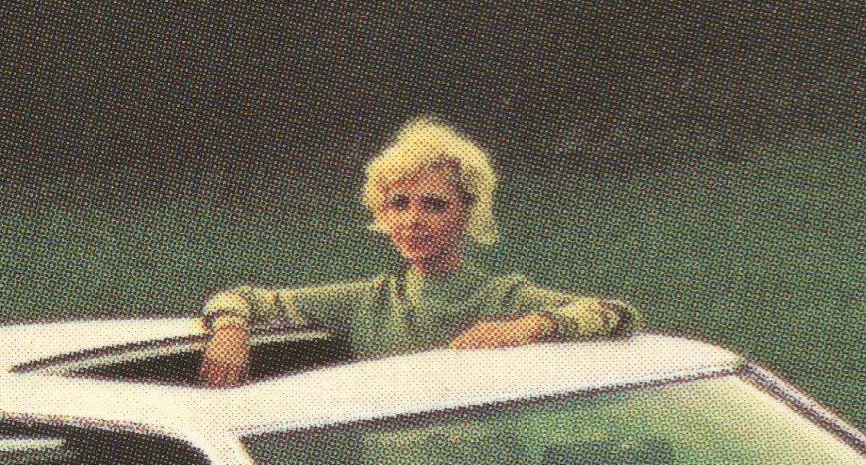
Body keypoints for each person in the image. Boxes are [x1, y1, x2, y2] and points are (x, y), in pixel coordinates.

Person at [198, 117, 637, 386]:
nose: (413, 220)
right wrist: (231, 331)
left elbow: (618, 314)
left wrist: (528, 327)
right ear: (382, 213)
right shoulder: (368, 301)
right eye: (398, 204)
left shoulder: (503, 298)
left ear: (467, 212)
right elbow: (238, 298)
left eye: (434, 205)